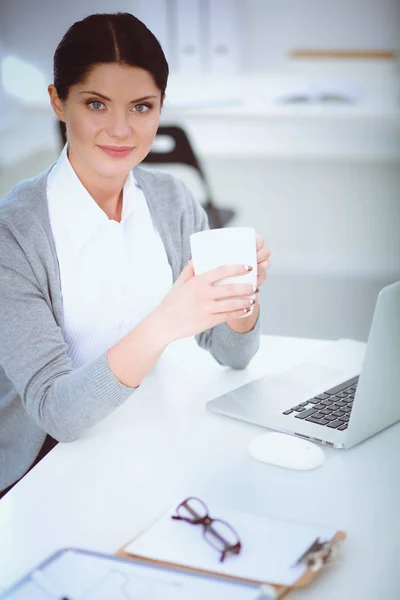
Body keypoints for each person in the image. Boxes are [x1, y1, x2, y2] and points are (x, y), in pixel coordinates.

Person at [0, 12, 270, 497]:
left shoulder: (171, 200)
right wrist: (168, 320)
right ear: (58, 103)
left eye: (142, 107)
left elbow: (235, 356)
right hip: (39, 471)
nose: (121, 130)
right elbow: (57, 415)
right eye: (97, 104)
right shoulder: (14, 232)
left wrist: (241, 299)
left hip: (144, 438)